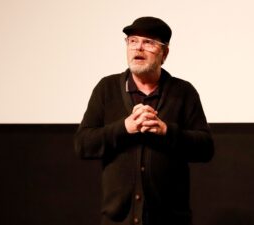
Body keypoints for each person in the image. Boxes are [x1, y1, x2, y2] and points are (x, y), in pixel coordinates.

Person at [74, 16, 214, 225]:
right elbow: (83, 144)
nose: (138, 48)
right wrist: (124, 128)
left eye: (148, 42)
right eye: (132, 41)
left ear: (164, 53)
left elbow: (205, 148)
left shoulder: (183, 92)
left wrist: (167, 131)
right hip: (117, 220)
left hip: (169, 220)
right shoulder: (106, 88)